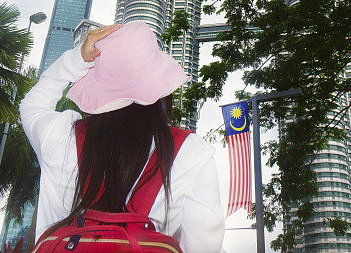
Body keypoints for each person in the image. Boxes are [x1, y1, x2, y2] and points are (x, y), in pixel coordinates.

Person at [20, 21, 225, 251]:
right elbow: (204, 244)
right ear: (161, 88)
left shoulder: (60, 136)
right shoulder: (190, 151)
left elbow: (32, 106)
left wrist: (77, 59)